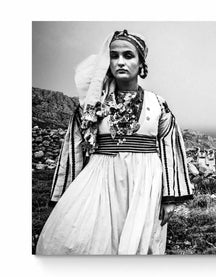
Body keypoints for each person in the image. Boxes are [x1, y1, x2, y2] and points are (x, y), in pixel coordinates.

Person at [36, 30, 193, 255]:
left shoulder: (158, 104)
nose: (120, 61)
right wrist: (64, 197)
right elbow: (75, 150)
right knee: (84, 240)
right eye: (114, 55)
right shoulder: (91, 106)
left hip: (144, 185)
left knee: (139, 243)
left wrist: (170, 198)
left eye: (128, 55)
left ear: (141, 64)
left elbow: (170, 149)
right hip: (100, 181)